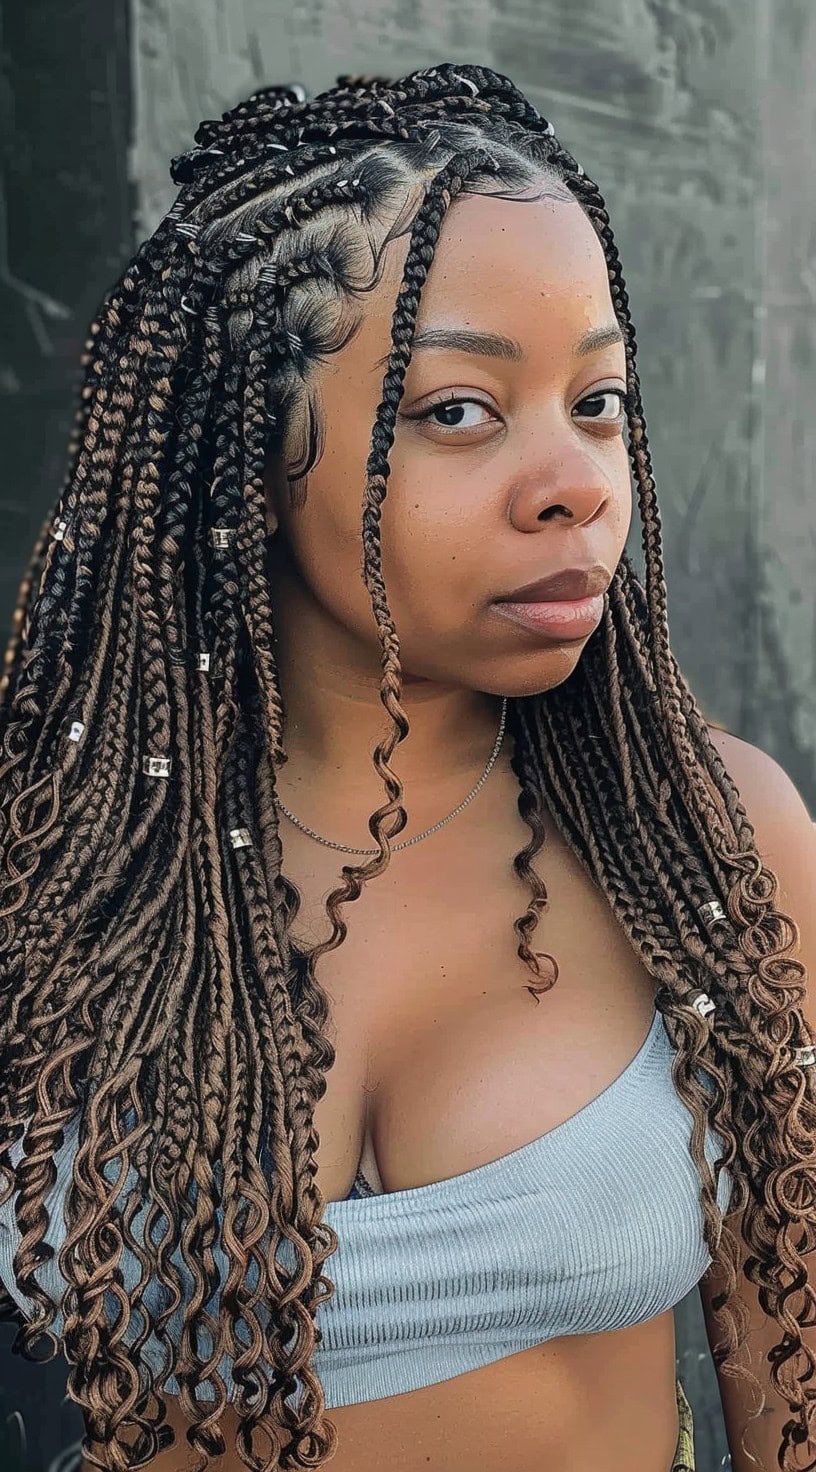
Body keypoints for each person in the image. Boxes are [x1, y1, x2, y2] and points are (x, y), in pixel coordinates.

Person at [0, 62, 814, 1472]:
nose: (576, 479)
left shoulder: (712, 838)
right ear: (249, 450)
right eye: (459, 409)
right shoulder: (51, 858)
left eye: (600, 400)